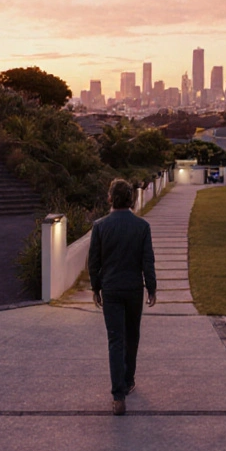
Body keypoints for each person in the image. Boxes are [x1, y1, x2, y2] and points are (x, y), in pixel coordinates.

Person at [89, 178, 157, 416]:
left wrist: (95, 288)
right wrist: (152, 287)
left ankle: (118, 397)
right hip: (133, 290)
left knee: (115, 340)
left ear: (110, 198)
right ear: (131, 198)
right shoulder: (142, 227)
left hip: (111, 289)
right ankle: (128, 381)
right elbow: (147, 261)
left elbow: (94, 262)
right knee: (132, 337)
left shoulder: (100, 226)